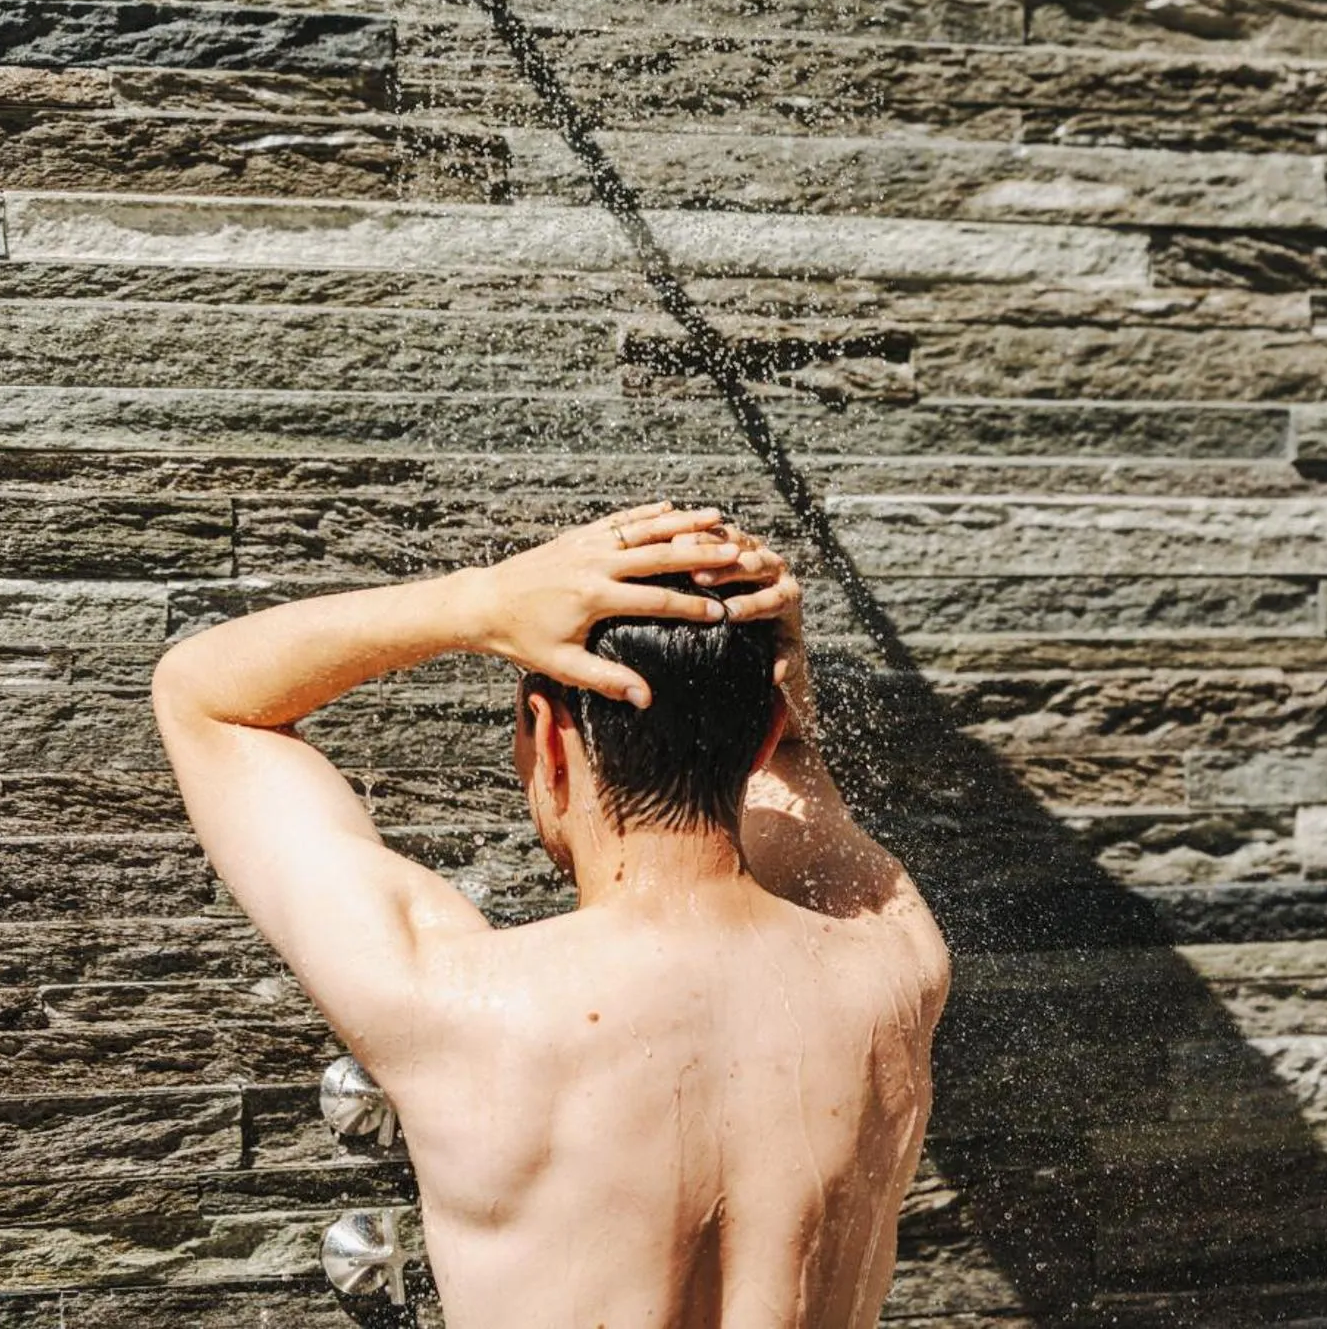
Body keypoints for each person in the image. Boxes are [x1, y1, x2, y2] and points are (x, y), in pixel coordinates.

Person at [152, 501, 950, 1329]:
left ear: (547, 731)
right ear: (765, 729)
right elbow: (791, 769)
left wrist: (483, 602)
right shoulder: (894, 964)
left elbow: (202, 697)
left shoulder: (451, 1000)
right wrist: (764, 657)